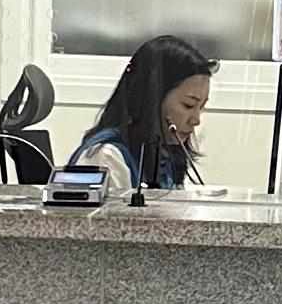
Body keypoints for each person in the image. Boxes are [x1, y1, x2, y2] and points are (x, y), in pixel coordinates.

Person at [69, 34, 217, 194]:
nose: (196, 120)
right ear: (150, 99)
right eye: (188, 105)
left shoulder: (166, 155)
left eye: (201, 107)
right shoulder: (105, 158)